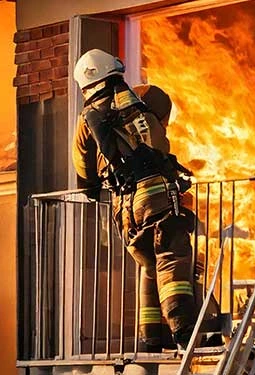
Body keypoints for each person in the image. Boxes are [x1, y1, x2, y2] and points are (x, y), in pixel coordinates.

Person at [71, 49, 198, 352]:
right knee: (170, 255)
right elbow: (161, 116)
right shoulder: (143, 101)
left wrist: (92, 189)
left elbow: (82, 168)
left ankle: (150, 337)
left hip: (123, 205)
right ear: (115, 71)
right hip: (156, 193)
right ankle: (183, 331)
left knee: (149, 264)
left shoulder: (87, 119)